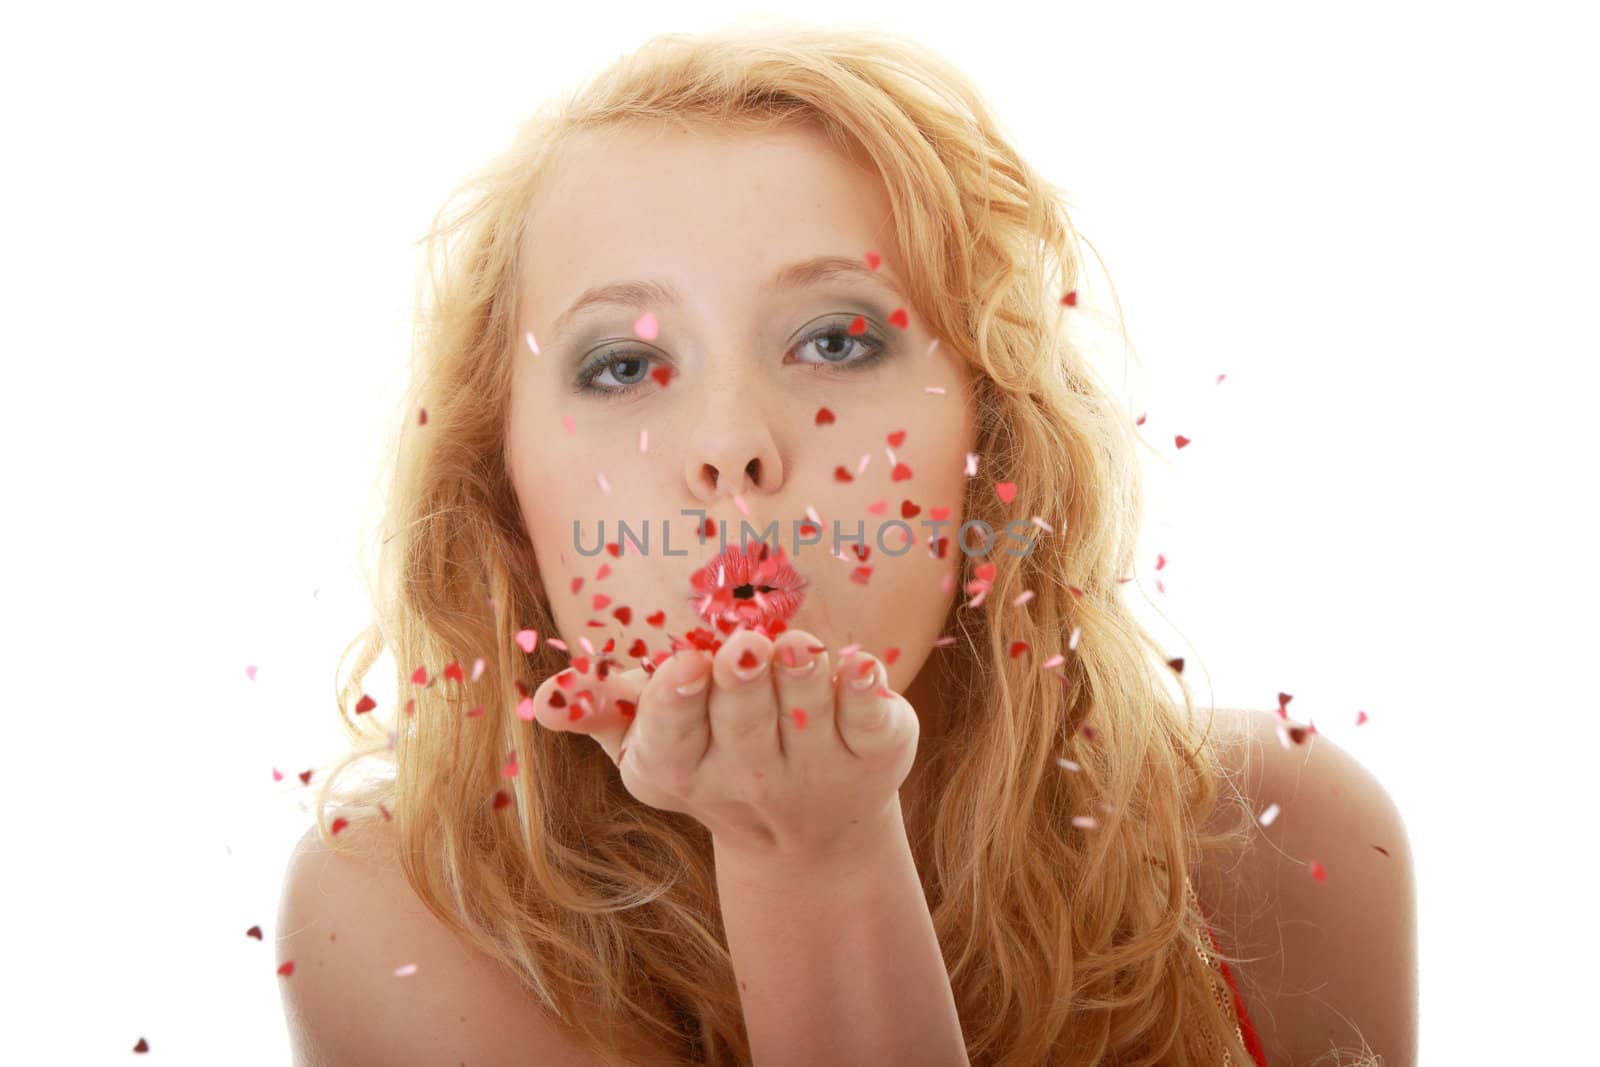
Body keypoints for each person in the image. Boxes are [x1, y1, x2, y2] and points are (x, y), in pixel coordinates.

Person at [275, 20, 1416, 1067]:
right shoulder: (399, 900)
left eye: (835, 341)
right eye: (622, 365)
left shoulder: (1271, 840)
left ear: (994, 428)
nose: (733, 446)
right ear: (499, 486)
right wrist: (804, 857)